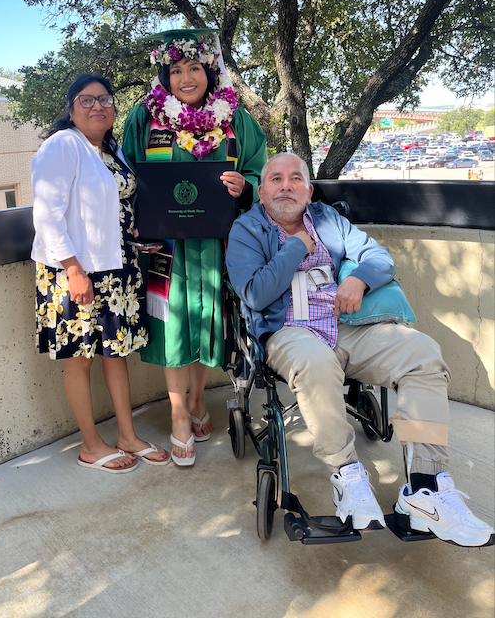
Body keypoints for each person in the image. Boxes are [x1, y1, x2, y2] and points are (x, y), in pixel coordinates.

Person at [226, 152, 493, 546]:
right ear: (261, 193)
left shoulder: (328, 219)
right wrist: (297, 246)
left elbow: (379, 257)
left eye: (296, 178)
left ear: (309, 189)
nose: (286, 186)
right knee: (316, 363)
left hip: (345, 326)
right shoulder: (246, 230)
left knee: (422, 354)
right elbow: (255, 292)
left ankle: (425, 489)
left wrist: (360, 281)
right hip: (290, 331)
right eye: (276, 179)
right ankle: (348, 475)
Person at [122, 28, 266, 465]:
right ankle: (179, 414)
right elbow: (128, 179)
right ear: (165, 75)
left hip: (217, 243)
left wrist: (246, 185)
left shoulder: (236, 119)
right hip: (166, 248)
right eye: (177, 70)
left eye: (195, 68)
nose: (186, 78)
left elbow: (259, 169)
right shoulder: (144, 119)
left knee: (208, 322)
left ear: (210, 70)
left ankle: (200, 399)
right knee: (173, 327)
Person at [31, 74, 170, 473]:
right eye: (86, 100)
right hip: (76, 270)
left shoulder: (112, 149)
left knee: (116, 352)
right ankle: (91, 445)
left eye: (105, 99)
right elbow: (47, 216)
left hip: (118, 267)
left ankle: (127, 435)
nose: (97, 107)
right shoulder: (62, 146)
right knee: (81, 358)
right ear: (71, 108)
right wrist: (73, 270)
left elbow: (118, 204)